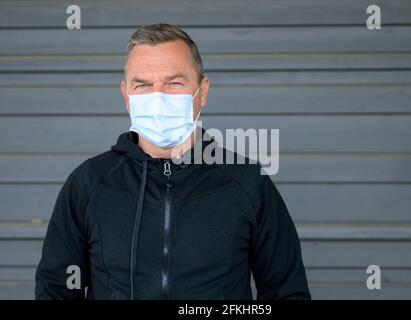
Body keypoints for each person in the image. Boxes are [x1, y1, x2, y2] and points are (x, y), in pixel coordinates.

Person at [35, 23, 310, 300]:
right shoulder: (88, 184)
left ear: (202, 92)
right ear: (126, 96)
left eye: (174, 83)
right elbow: (55, 290)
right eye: (142, 85)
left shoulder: (248, 183)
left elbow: (286, 292)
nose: (158, 98)